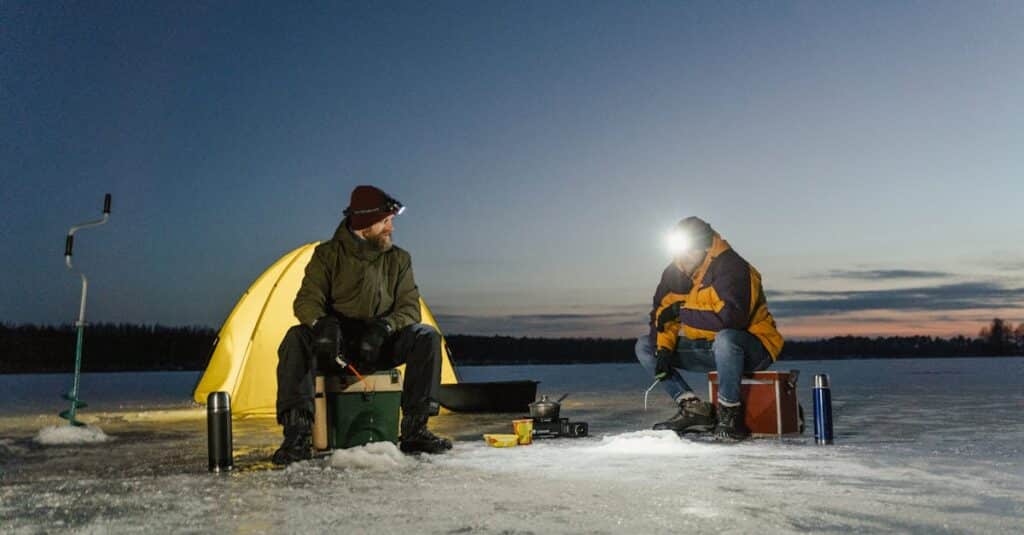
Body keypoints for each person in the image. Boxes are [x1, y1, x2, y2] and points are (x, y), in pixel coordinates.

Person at [272, 185, 452, 464]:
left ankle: (416, 430)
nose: (391, 228)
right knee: (296, 338)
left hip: (379, 343)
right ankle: (297, 436)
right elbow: (306, 301)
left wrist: (386, 327)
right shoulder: (327, 255)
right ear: (365, 224)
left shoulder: (399, 259)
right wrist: (322, 325)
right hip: (337, 347)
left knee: (426, 337)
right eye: (385, 222)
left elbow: (409, 307)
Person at [635, 217, 784, 440]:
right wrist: (664, 350)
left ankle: (729, 414)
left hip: (751, 347)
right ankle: (694, 409)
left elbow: (731, 320)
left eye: (689, 252)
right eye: (679, 252)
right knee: (646, 346)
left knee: (725, 338)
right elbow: (662, 315)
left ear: (704, 247)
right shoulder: (675, 274)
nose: (682, 259)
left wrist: (681, 311)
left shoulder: (732, 267)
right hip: (709, 348)